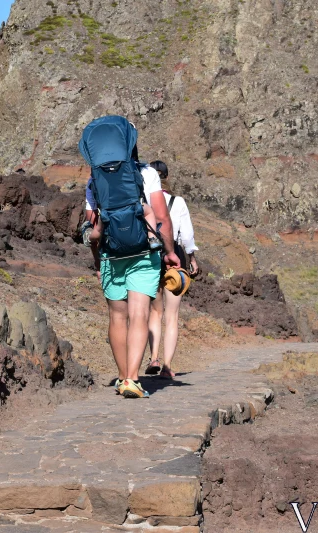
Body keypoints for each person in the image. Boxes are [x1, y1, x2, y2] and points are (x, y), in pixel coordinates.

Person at [78, 118, 181, 399]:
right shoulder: (147, 175)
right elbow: (162, 218)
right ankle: (133, 380)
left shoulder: (94, 181)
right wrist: (170, 252)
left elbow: (92, 227)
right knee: (139, 314)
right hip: (144, 254)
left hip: (112, 254)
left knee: (117, 316)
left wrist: (98, 263)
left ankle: (123, 375)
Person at [145, 161, 200, 379]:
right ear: (168, 177)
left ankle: (154, 358)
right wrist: (192, 258)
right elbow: (186, 236)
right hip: (175, 255)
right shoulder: (178, 202)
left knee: (154, 312)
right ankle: (167, 366)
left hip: (151, 255)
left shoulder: (146, 200)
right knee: (172, 315)